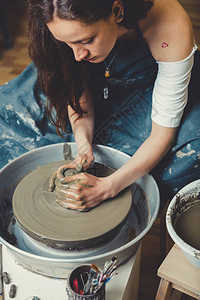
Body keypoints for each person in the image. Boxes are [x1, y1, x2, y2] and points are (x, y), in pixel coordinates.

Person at [0, 0, 200, 211]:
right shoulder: (64, 32)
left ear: (117, 11)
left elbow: (162, 134)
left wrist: (108, 187)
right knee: (7, 112)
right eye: (68, 43)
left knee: (189, 153)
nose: (77, 55)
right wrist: (83, 145)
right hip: (96, 81)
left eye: (86, 40)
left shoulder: (170, 27)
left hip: (147, 88)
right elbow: (75, 87)